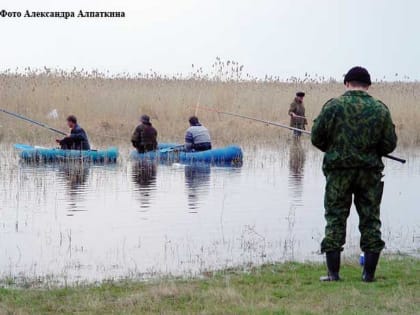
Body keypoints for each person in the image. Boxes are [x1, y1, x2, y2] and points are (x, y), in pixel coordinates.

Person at [311, 67, 397, 282]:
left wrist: (334, 148)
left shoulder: (333, 106)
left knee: (335, 218)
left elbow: (316, 137)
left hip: (338, 173)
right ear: (368, 85)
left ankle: (333, 274)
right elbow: (389, 144)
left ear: (347, 83)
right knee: (370, 220)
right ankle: (368, 275)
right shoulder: (380, 109)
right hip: (369, 175)